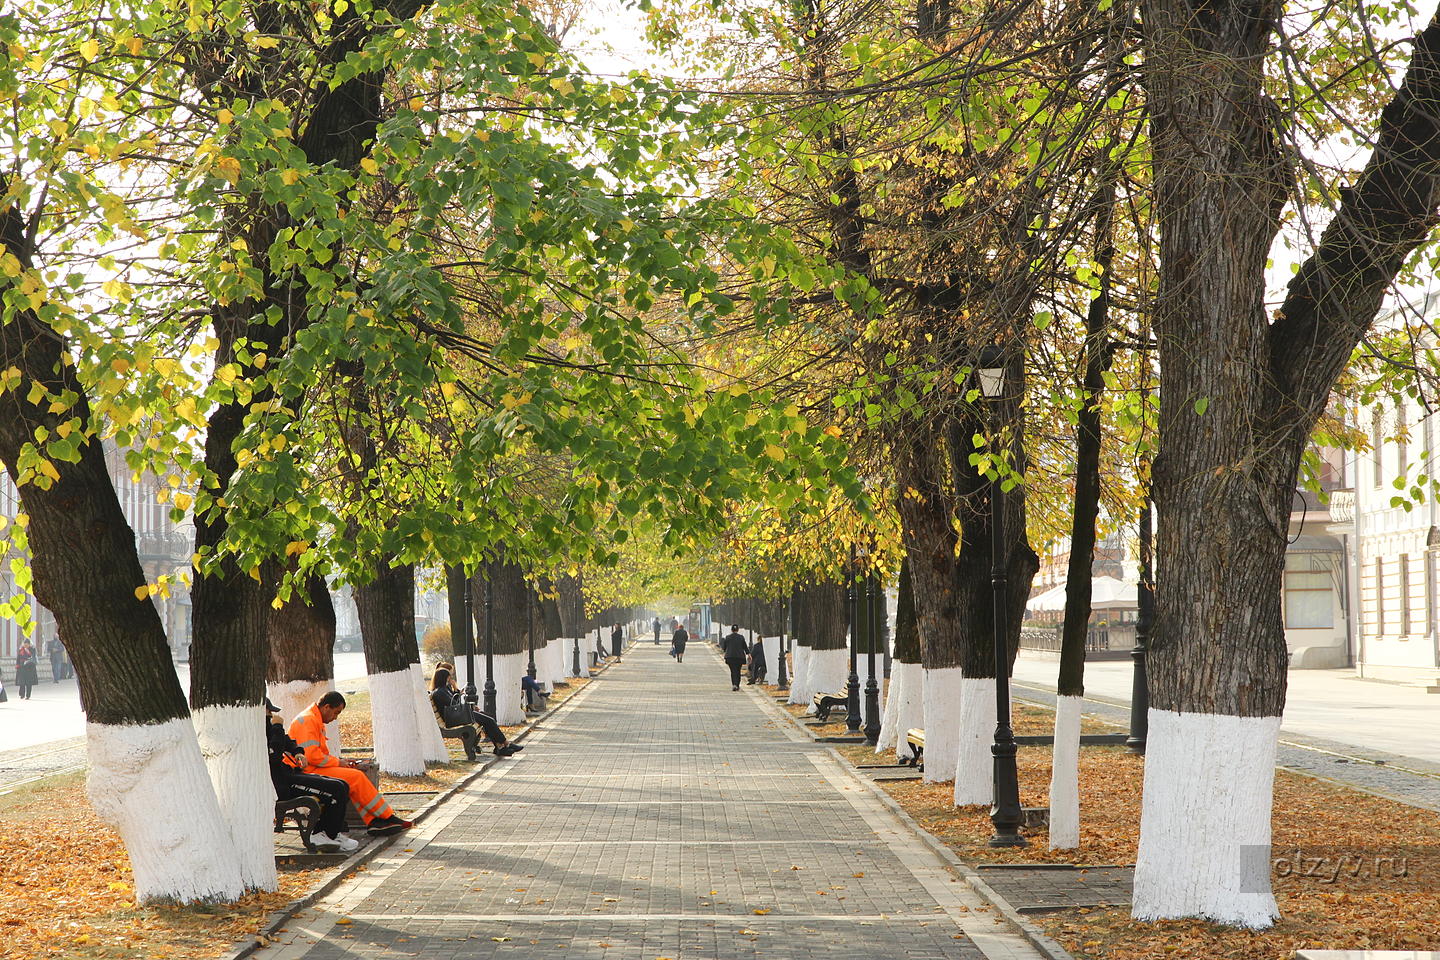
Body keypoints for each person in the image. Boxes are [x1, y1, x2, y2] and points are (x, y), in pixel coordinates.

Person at [287, 692, 410, 836]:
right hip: (305, 772)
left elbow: (317, 755)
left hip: (310, 769)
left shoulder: (313, 718)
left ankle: (375, 821)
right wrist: (338, 762)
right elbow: (312, 755)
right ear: (327, 707)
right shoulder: (309, 720)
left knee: (353, 777)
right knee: (355, 777)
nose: (335, 718)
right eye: (336, 712)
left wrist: (340, 763)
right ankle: (386, 817)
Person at [265, 698, 358, 853]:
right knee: (335, 789)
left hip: (289, 774)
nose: (271, 715)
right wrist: (277, 726)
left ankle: (331, 834)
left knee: (342, 785)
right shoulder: (262, 732)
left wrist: (298, 753)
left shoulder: (269, 728)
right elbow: (273, 756)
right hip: (281, 785)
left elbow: (288, 742)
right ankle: (321, 835)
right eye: (269, 711)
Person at [431, 664, 522, 757]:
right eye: (449, 677)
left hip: (456, 716)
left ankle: (500, 747)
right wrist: (470, 707)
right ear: (444, 678)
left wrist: (456, 689)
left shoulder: (444, 689)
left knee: (487, 719)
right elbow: (455, 705)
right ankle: (505, 744)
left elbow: (455, 703)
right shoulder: (440, 692)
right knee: (489, 720)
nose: (450, 679)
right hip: (454, 719)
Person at [721, 625, 748, 690]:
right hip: (739, 657)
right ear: (738, 630)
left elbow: (724, 648)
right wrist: (748, 653)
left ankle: (734, 684)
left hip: (730, 657)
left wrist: (725, 651)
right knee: (738, 671)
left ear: (731, 630)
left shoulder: (727, 637)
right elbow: (745, 647)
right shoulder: (741, 637)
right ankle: (737, 685)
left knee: (733, 671)